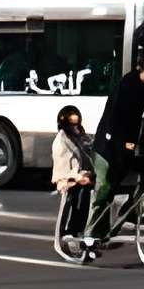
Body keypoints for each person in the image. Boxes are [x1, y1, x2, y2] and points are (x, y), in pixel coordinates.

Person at [89, 40, 144, 253]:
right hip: (109, 147)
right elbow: (113, 118)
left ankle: (126, 216)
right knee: (104, 190)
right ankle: (91, 236)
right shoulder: (127, 84)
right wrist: (123, 141)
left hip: (130, 149)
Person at [52, 105, 99, 260]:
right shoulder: (61, 140)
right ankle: (70, 233)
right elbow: (62, 164)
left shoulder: (80, 136)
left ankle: (86, 234)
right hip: (69, 182)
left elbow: (90, 148)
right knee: (77, 200)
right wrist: (78, 177)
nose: (75, 128)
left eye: (77, 124)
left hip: (84, 178)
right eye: (72, 125)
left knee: (91, 201)